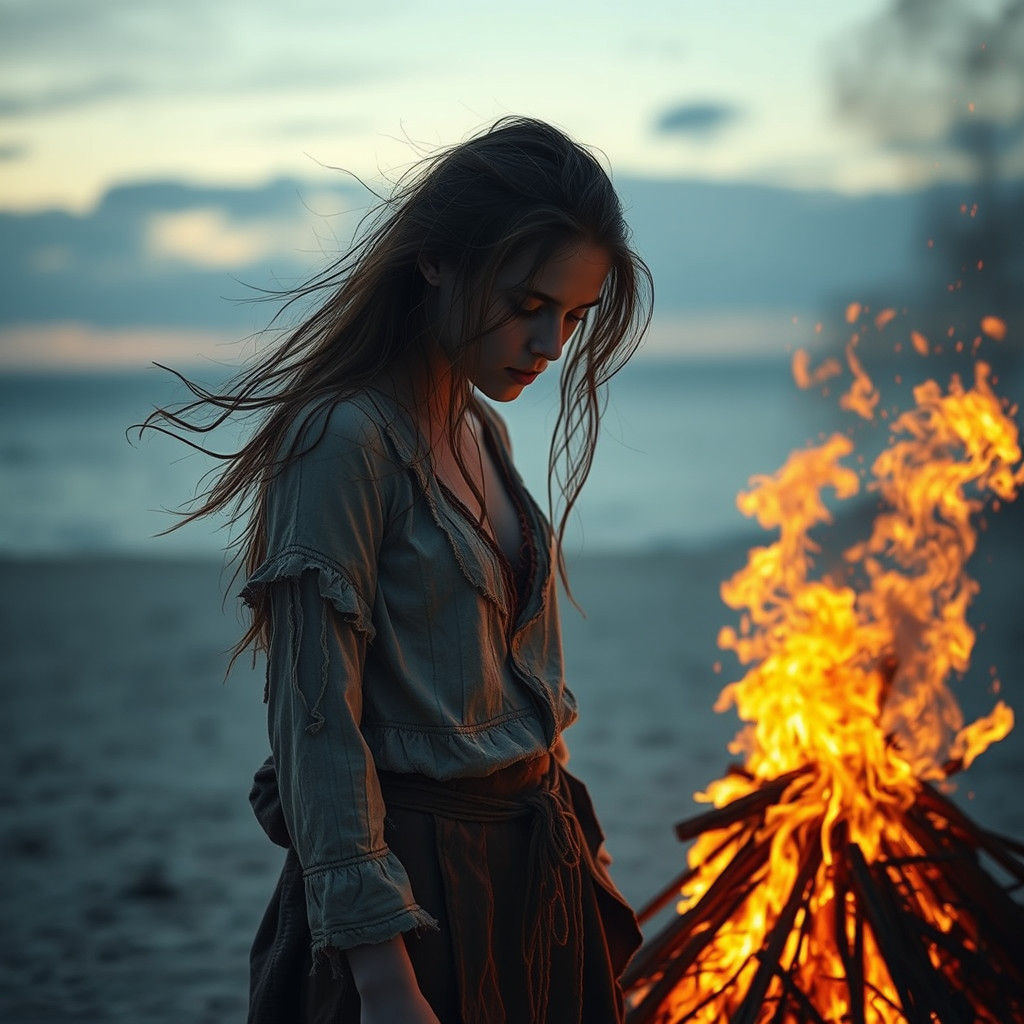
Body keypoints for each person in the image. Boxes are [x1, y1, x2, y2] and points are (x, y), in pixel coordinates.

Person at [142, 115, 653, 1023]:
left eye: (572, 317)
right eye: (530, 304)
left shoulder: (480, 429)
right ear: (437, 262)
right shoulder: (341, 439)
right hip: (413, 900)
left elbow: (511, 679)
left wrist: (585, 867)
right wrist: (382, 976)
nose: (551, 345)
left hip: (535, 879)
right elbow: (317, 725)